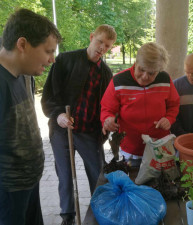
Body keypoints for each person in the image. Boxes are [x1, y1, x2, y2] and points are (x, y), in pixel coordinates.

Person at [41, 25, 116, 225]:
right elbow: (49, 95)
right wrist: (58, 116)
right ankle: (68, 216)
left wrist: (104, 124)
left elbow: (106, 107)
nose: (102, 48)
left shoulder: (105, 73)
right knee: (65, 175)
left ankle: (99, 211)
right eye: (100, 41)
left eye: (107, 46)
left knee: (98, 173)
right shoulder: (65, 60)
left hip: (89, 133)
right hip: (61, 130)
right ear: (92, 37)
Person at [0, 8, 61, 225]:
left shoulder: (24, 75)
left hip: (29, 182)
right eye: (48, 51)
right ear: (22, 44)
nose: (52, 60)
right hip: (9, 191)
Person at [101, 42, 180, 166]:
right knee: (134, 182)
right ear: (136, 62)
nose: (145, 77)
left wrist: (169, 119)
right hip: (131, 148)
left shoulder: (165, 79)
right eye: (142, 70)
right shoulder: (119, 81)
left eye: (151, 73)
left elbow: (173, 105)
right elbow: (107, 108)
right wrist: (108, 119)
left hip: (159, 146)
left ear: (159, 70)